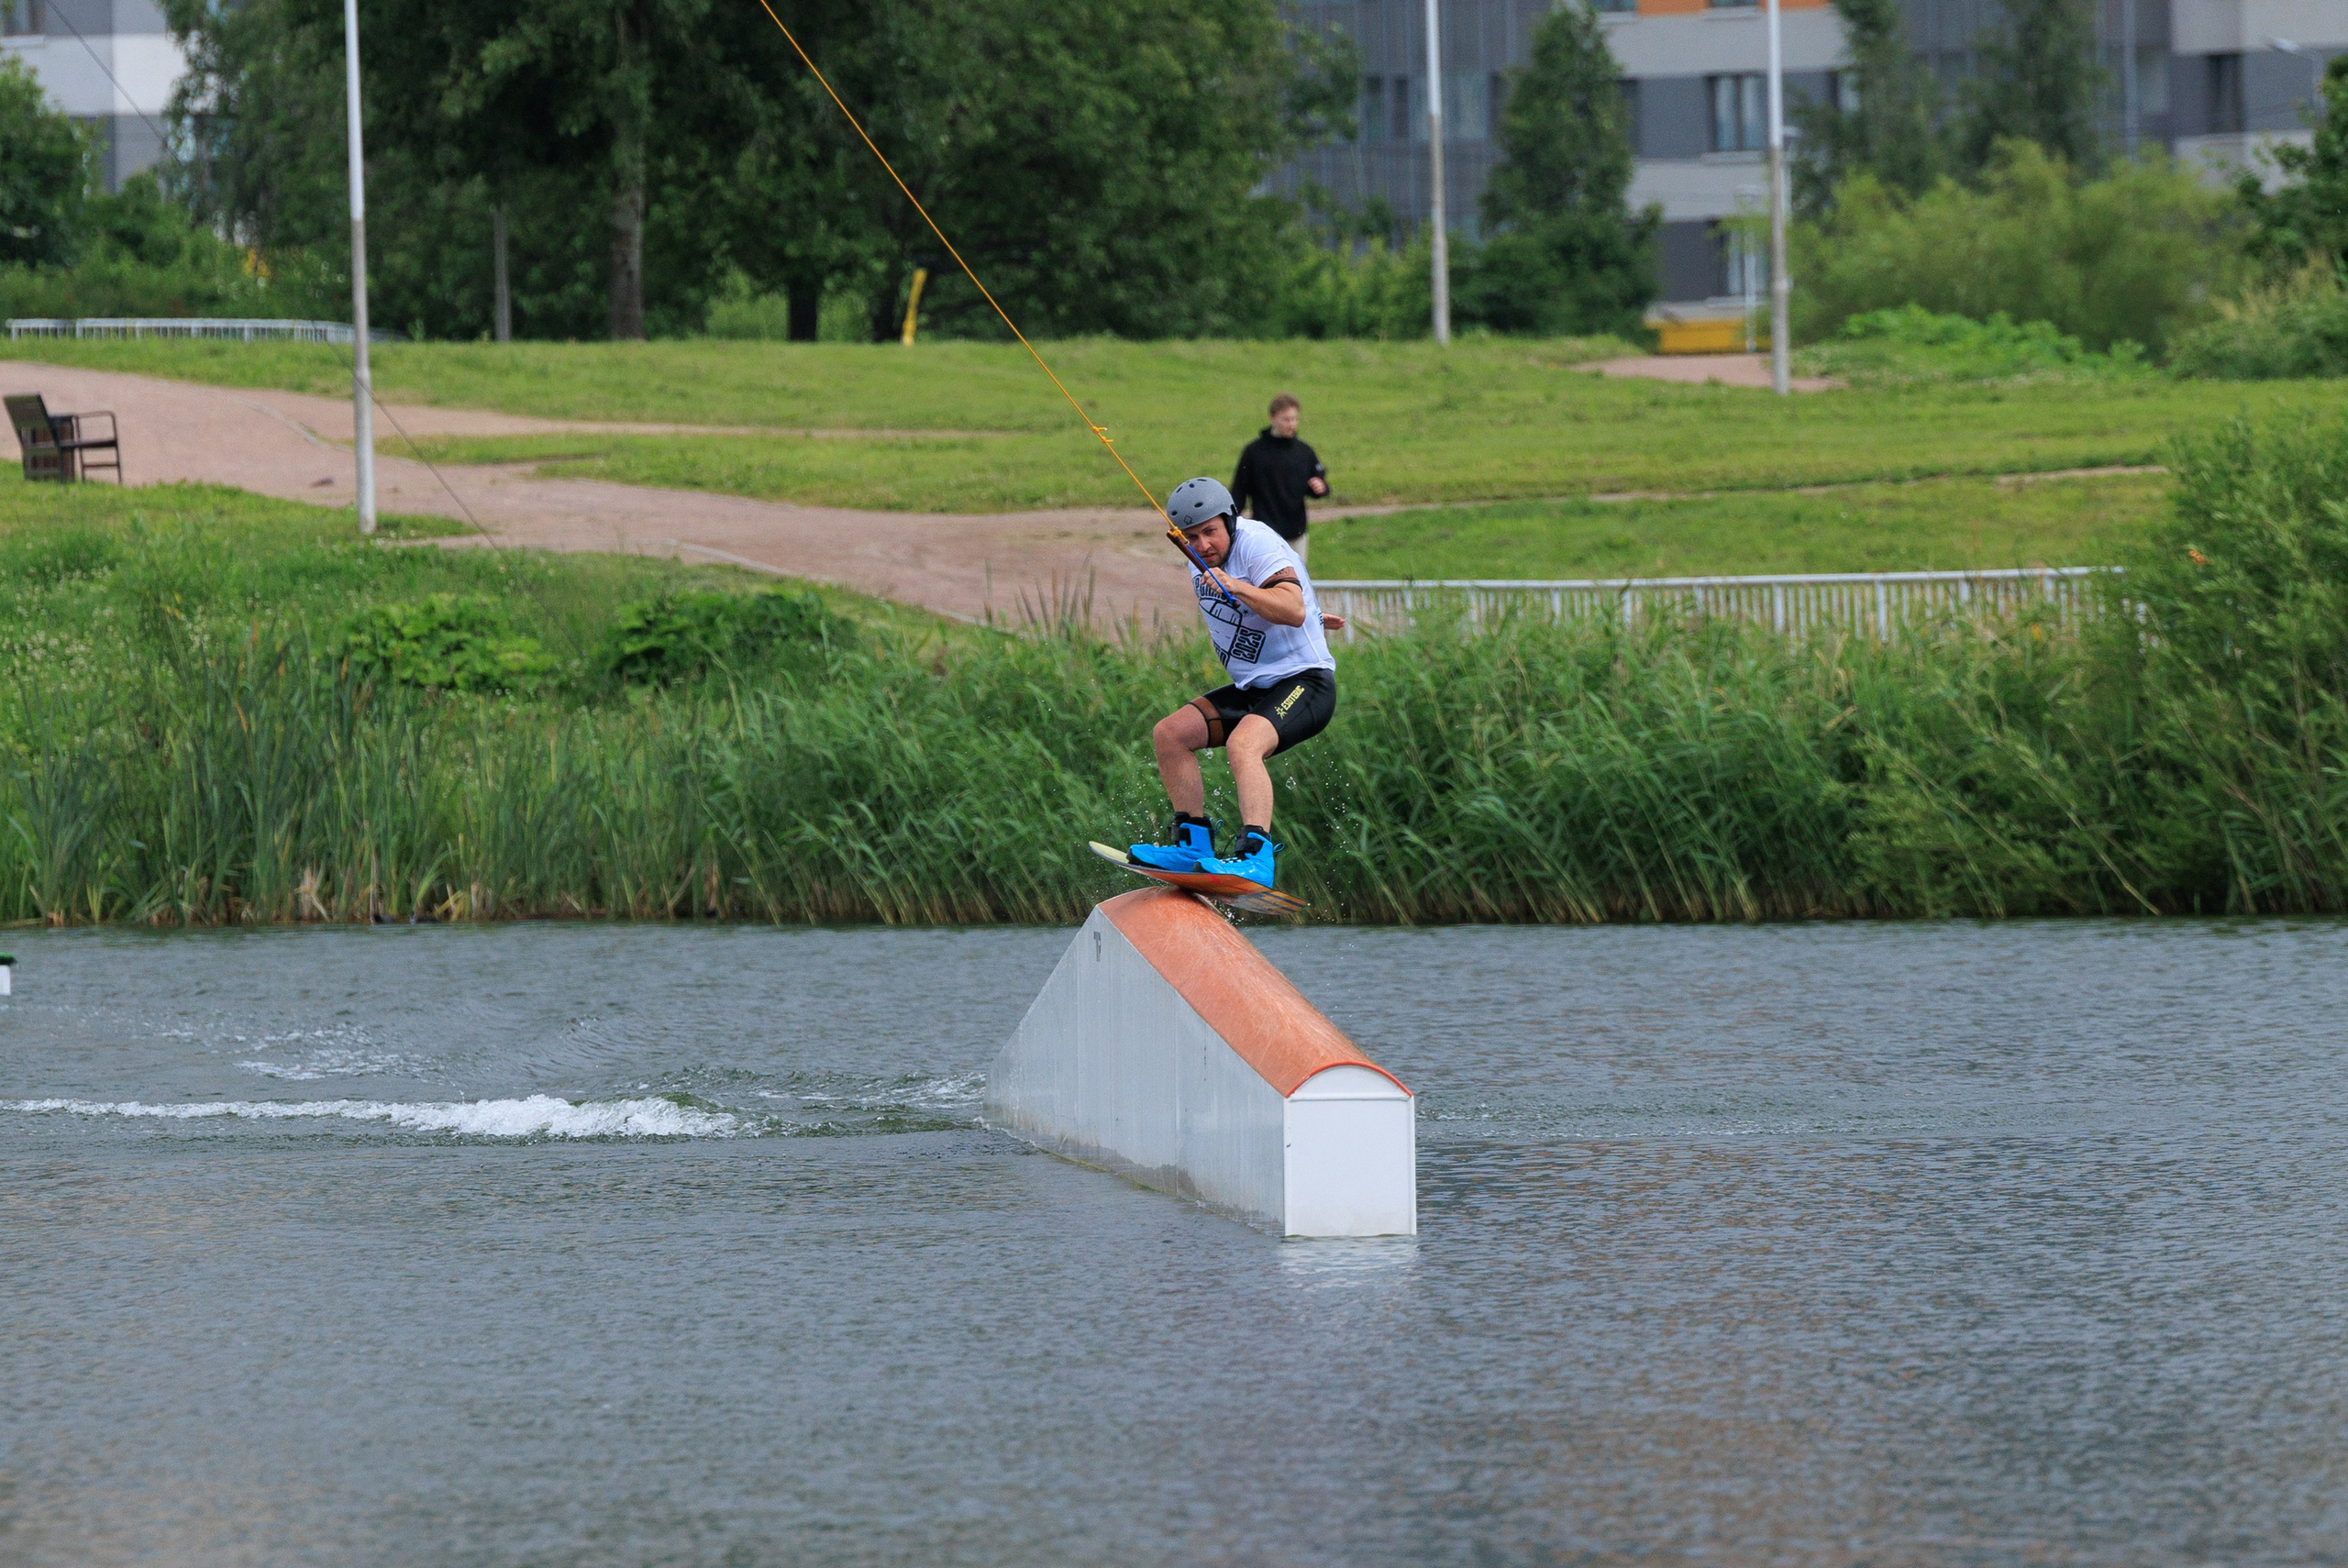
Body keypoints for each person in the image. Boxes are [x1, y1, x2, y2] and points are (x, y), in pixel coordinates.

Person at [1128, 477, 1336, 891]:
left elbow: (1292, 608)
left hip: (1305, 682)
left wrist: (1239, 586)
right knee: (1170, 734)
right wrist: (1314, 612)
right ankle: (1192, 845)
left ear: (1230, 522)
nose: (1203, 544)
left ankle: (1256, 857)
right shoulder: (1196, 558)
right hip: (1254, 689)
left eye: (1210, 531)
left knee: (1244, 743)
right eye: (1192, 537)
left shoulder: (1257, 543)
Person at [1230, 392, 1328, 561]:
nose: (1292, 424)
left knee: (1297, 583)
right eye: (1286, 419)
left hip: (1296, 534)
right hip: (1265, 534)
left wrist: (1320, 487)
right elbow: (1239, 490)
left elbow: (1317, 482)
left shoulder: (1304, 452)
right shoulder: (1254, 452)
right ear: (1272, 418)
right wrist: (1231, 524)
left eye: (1295, 419)